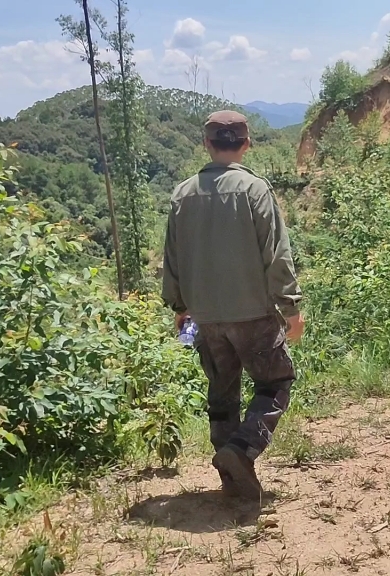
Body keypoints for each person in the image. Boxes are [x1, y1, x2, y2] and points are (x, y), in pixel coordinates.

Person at [162, 110, 304, 500]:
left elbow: (171, 259)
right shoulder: (255, 190)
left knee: (222, 393)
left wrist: (180, 306)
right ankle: (240, 452)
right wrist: (290, 308)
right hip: (253, 313)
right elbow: (276, 255)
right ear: (246, 144)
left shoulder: (182, 194)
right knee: (275, 384)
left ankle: (232, 482)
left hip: (205, 318)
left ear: (206, 144)